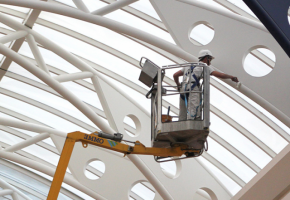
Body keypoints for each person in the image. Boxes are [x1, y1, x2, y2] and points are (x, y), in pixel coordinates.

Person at [173, 50, 239, 121]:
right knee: (193, 108)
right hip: (193, 88)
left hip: (183, 88)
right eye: (210, 59)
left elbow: (175, 75)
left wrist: (178, 85)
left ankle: (182, 123)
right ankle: (191, 123)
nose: (210, 62)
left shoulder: (189, 66)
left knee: (183, 109)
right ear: (206, 58)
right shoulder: (204, 66)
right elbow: (220, 75)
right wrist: (231, 77)